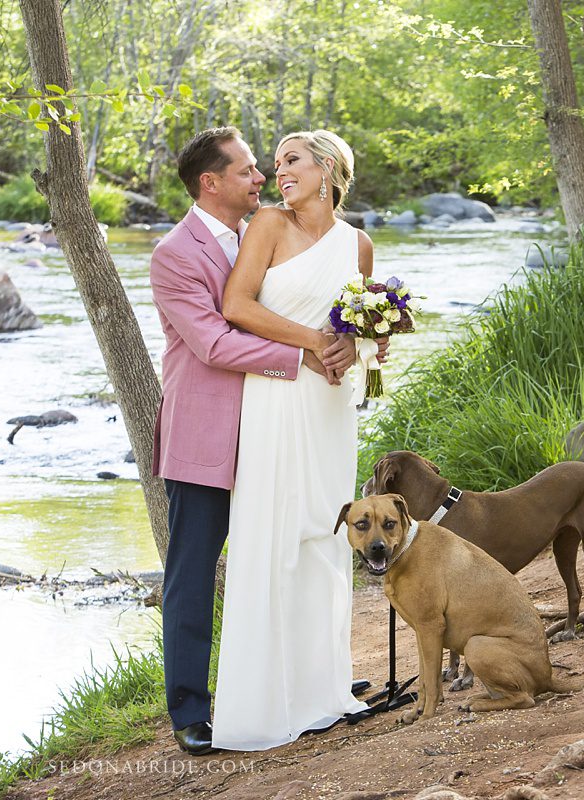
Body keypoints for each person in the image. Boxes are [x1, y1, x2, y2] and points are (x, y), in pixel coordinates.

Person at [149, 127, 364, 756]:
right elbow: (213, 343)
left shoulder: (266, 232)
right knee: (193, 570)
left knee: (291, 547)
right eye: (248, 170)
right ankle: (191, 709)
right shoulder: (174, 254)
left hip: (278, 427)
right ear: (210, 183)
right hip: (208, 434)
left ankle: (301, 682)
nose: (261, 178)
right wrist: (306, 353)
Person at [212, 129, 378, 751]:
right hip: (278, 399)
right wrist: (310, 343)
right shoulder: (268, 227)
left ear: (329, 168)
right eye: (275, 163)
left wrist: (353, 348)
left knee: (324, 534)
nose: (278, 172)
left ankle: (323, 692)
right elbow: (236, 305)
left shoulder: (358, 244)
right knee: (275, 534)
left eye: (291, 161)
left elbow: (355, 323)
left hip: (331, 403)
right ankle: (263, 703)